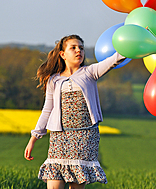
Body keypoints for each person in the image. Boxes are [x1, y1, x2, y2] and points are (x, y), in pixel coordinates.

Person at [24, 34, 125, 189]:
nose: (79, 51)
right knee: (54, 185)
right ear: (62, 54)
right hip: (60, 137)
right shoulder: (54, 80)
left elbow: (114, 60)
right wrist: (34, 138)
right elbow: (47, 110)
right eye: (73, 48)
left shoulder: (90, 73)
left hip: (85, 136)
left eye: (81, 48)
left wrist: (135, 41)